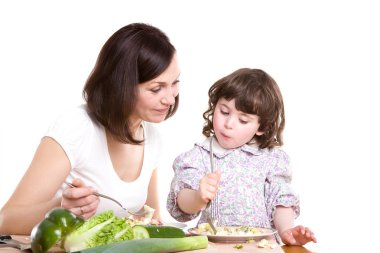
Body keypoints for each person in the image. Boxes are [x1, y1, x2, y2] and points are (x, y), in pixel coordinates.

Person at [0, 23, 180, 235]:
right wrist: (59, 208)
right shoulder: (75, 129)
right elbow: (5, 220)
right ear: (121, 85)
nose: (170, 99)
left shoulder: (152, 137)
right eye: (156, 88)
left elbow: (149, 219)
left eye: (175, 83)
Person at [167, 68, 316, 246]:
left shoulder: (271, 160)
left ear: (261, 127)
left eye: (243, 120)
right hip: (213, 245)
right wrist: (198, 197)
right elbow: (182, 201)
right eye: (224, 111)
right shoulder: (199, 156)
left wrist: (286, 231)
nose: (228, 124)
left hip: (261, 246)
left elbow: (281, 200)